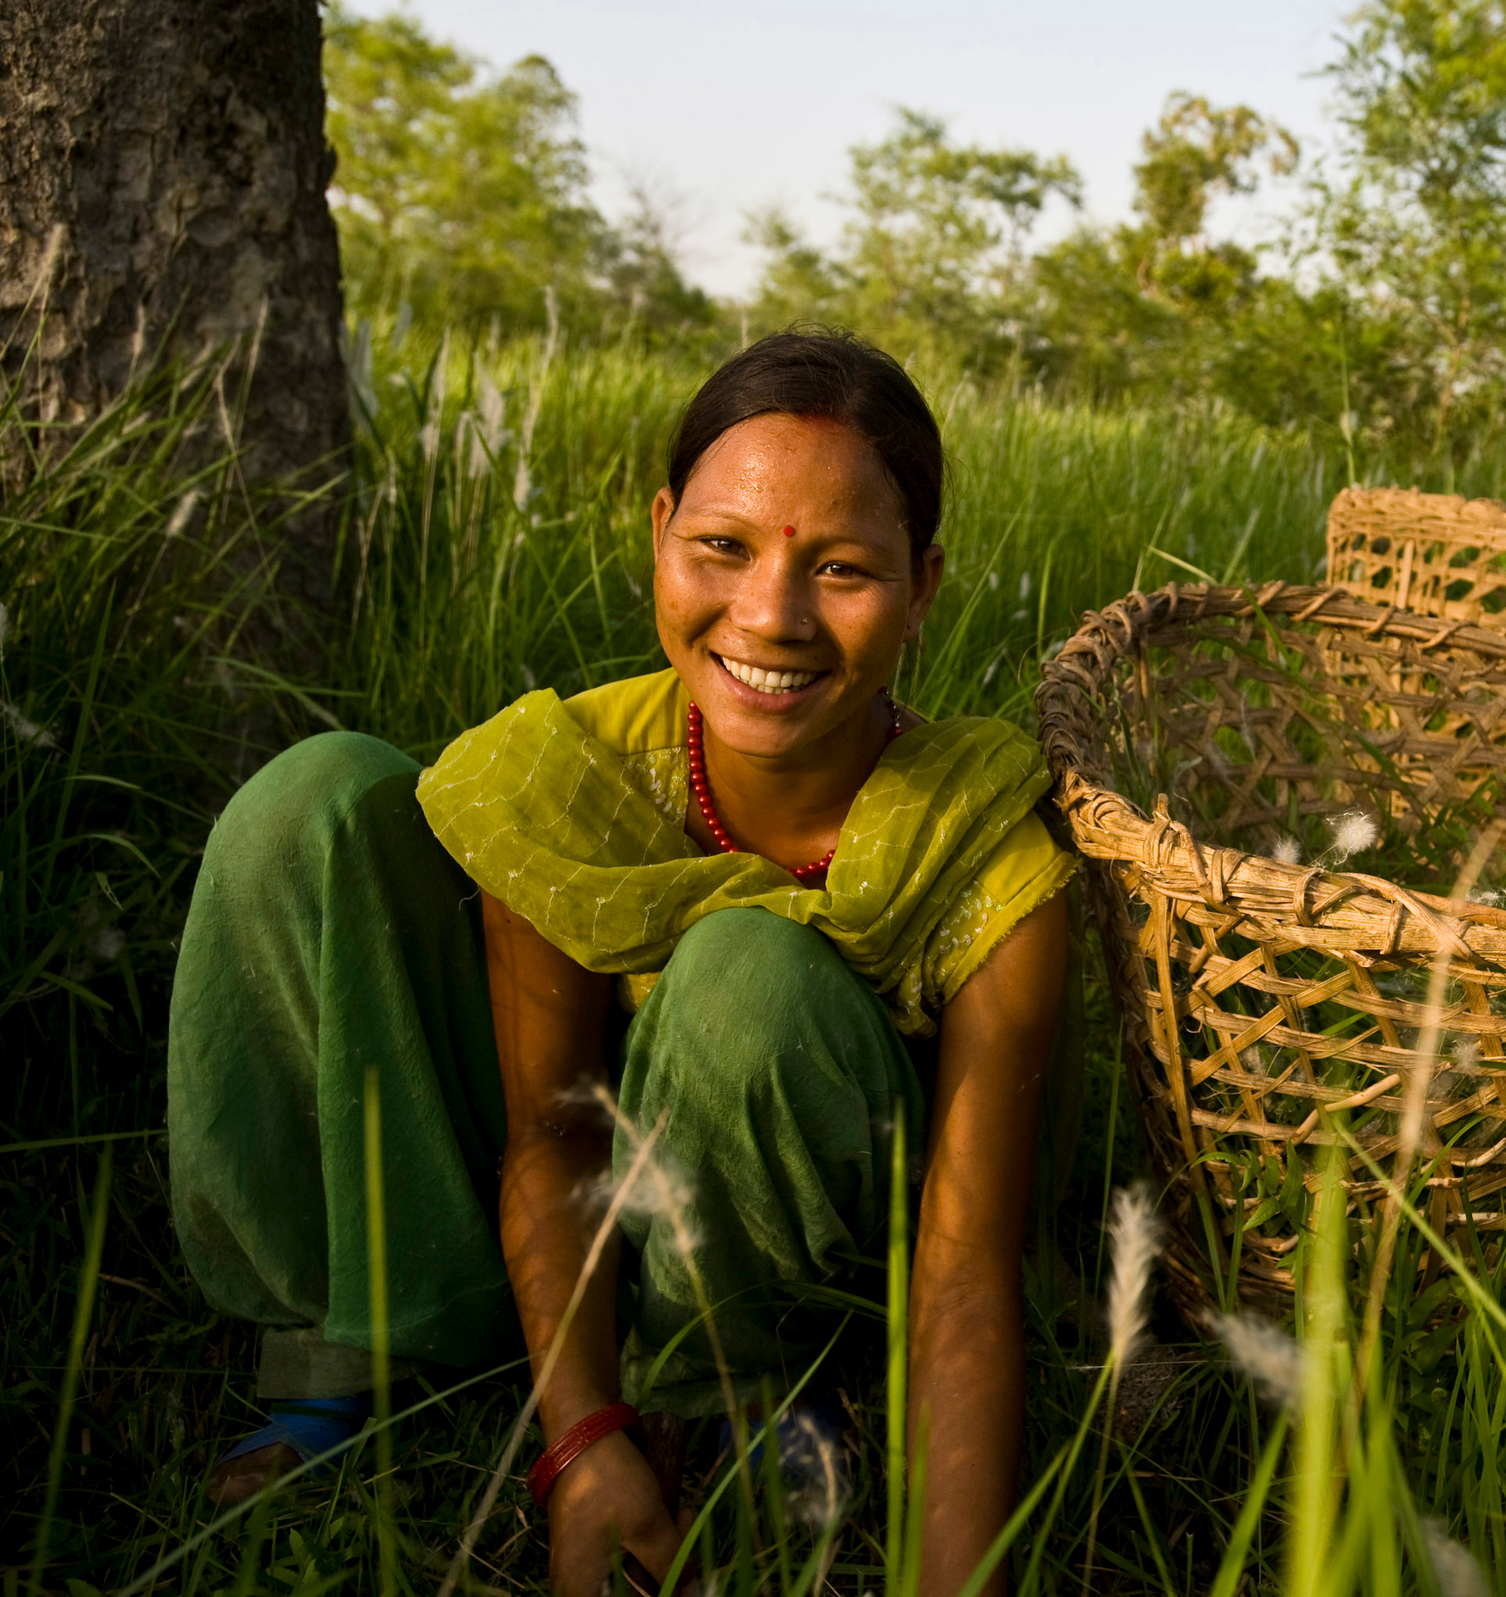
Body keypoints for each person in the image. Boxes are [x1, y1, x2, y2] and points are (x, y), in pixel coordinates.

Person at [167, 328, 1073, 1595]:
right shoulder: (571, 780)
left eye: (846, 569)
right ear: (660, 533)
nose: (771, 614)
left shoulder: (980, 840)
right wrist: (580, 1438)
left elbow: (969, 1275)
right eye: (724, 546)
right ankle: (363, 1336)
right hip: (571, 1220)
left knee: (747, 972)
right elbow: (549, 1131)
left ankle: (741, 1391)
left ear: (924, 588)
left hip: (801, 1261)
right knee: (310, 801)